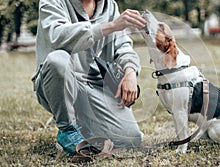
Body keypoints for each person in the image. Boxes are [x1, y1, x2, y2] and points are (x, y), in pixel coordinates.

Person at [32, 0, 146, 155]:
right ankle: (67, 130)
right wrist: (110, 26)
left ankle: (85, 127)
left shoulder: (109, 5)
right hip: (57, 81)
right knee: (57, 60)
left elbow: (123, 45)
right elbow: (58, 36)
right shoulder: (52, 1)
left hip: (93, 86)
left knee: (131, 138)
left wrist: (130, 71)